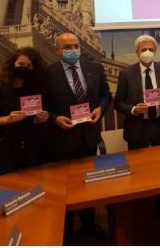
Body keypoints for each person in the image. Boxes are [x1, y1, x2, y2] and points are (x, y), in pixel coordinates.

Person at [45, 32, 111, 238]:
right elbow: (43, 107)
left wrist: (100, 109)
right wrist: (55, 118)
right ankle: (66, 232)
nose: (73, 50)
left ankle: (89, 226)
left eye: (76, 46)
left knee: (88, 185)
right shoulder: (47, 74)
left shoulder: (95, 68)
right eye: (67, 47)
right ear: (58, 50)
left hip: (88, 137)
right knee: (66, 191)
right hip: (62, 141)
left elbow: (105, 95)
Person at [114, 34, 160, 218]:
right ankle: (142, 206)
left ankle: (158, 202)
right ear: (136, 53)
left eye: (151, 49)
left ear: (155, 51)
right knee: (139, 170)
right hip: (138, 127)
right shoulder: (126, 73)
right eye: (143, 49)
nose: (147, 52)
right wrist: (133, 109)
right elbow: (118, 102)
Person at [0, 47, 49, 175]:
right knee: (9, 191)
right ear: (12, 65)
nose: (24, 68)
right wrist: (6, 119)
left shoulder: (36, 89)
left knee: (35, 188)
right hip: (7, 150)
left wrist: (40, 118)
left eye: (29, 66)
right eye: (21, 64)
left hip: (33, 149)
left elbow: (35, 117)